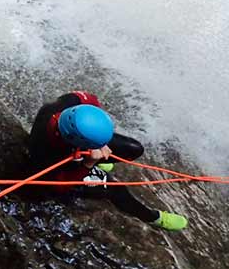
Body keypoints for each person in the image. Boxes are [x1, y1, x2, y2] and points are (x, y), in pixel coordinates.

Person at [27, 91, 188, 231]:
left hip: (82, 141)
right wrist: (87, 164)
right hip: (68, 163)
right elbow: (59, 187)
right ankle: (152, 217)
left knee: (134, 149)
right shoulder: (45, 153)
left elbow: (90, 99)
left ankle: (98, 159)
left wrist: (100, 142)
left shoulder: (67, 104)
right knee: (114, 189)